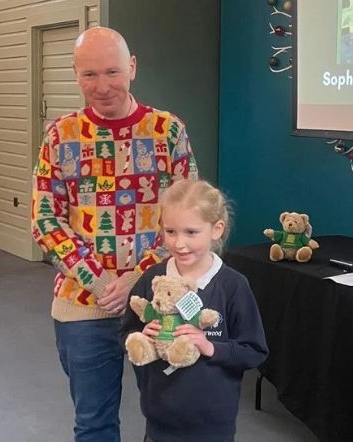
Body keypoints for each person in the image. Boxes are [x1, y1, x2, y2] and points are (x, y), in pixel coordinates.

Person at [30, 26, 199, 442]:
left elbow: (187, 219)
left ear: (133, 68)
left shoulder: (168, 131)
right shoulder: (60, 135)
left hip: (161, 300)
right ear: (75, 75)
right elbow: (45, 220)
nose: (102, 87)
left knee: (169, 419)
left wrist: (135, 280)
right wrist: (101, 280)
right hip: (83, 306)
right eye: (89, 75)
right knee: (94, 423)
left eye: (112, 72)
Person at [120, 180, 268, 441]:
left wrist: (211, 347)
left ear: (216, 230)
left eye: (191, 232)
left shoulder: (233, 286)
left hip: (212, 425)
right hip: (159, 421)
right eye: (171, 231)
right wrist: (143, 335)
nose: (179, 243)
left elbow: (254, 351)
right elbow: (127, 332)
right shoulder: (152, 279)